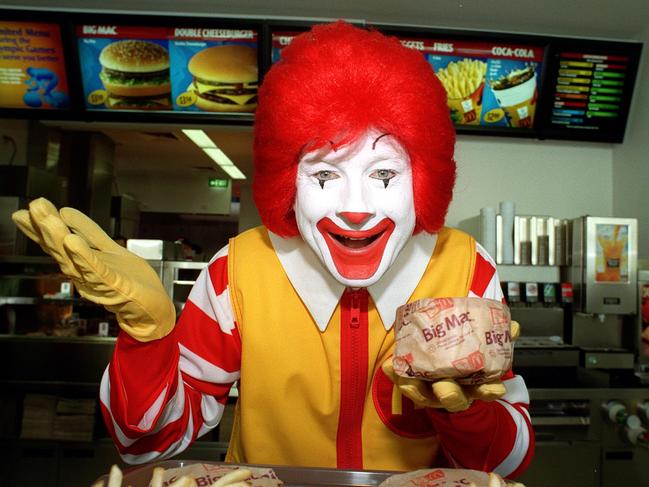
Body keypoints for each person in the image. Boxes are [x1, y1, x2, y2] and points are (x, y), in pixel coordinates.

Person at [12, 22, 533, 478]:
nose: (356, 208)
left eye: (383, 174)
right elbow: (147, 443)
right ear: (288, 182)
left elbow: (505, 464)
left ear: (423, 180)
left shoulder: (465, 267)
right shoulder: (237, 272)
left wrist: (466, 414)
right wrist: (147, 339)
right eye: (325, 174)